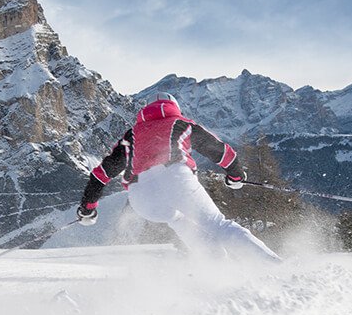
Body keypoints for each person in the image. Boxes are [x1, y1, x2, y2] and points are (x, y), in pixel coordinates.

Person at [76, 92, 280, 262]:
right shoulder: (180, 123)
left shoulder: (132, 134)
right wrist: (235, 175)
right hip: (174, 176)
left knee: (180, 221)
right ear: (174, 106)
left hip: (141, 196)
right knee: (217, 224)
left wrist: (88, 208)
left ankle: (218, 271)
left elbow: (101, 174)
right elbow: (220, 151)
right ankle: (274, 267)